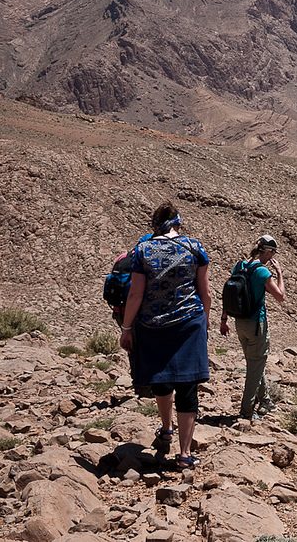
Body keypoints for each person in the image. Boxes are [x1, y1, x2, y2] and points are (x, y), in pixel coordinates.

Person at [118, 201, 210, 469]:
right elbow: (205, 292)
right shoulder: (195, 247)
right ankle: (184, 454)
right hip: (189, 323)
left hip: (152, 325)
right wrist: (203, 323)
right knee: (188, 385)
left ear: (154, 225)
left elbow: (135, 294)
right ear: (178, 223)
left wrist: (126, 328)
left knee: (161, 381)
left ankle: (166, 428)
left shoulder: (143, 250)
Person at [219, 235, 285, 420]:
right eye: (273, 252)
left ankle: (265, 400)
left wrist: (224, 320)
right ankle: (247, 411)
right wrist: (279, 273)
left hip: (239, 323)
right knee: (255, 365)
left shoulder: (240, 266)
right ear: (269, 252)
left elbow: (229, 294)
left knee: (255, 363)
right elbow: (280, 296)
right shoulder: (262, 272)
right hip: (257, 323)